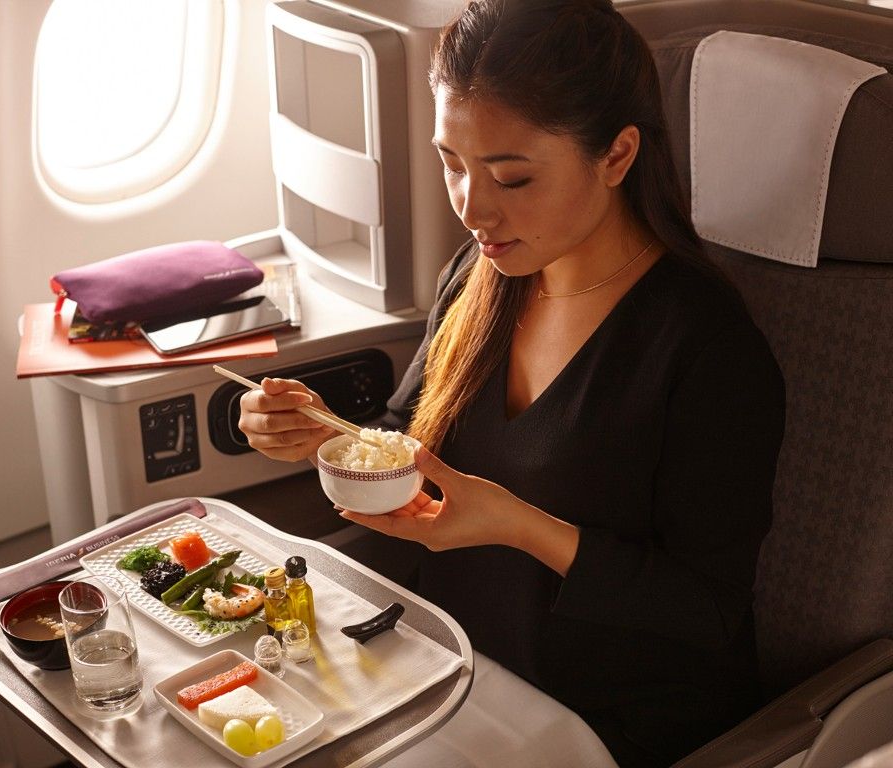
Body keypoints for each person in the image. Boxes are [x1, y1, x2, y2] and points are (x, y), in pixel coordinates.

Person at [237, 0, 786, 765]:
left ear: (617, 156)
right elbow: (412, 441)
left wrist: (521, 527)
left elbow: (706, 609)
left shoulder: (708, 350)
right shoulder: (482, 277)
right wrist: (319, 433)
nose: (472, 207)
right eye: (451, 163)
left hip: (608, 719)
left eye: (512, 176)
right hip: (453, 667)